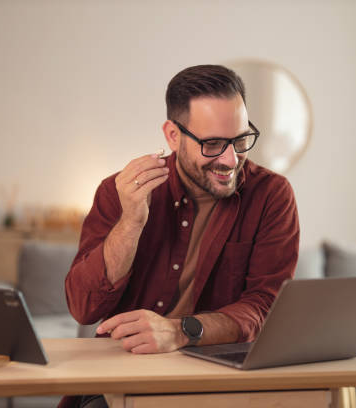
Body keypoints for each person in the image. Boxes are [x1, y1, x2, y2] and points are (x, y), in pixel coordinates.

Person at [59, 64, 299, 408]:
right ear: (173, 135)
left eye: (241, 139)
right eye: (213, 143)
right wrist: (130, 222)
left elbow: (265, 308)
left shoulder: (272, 195)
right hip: (125, 379)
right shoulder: (120, 192)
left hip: (222, 382)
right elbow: (83, 308)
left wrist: (181, 331)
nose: (232, 159)